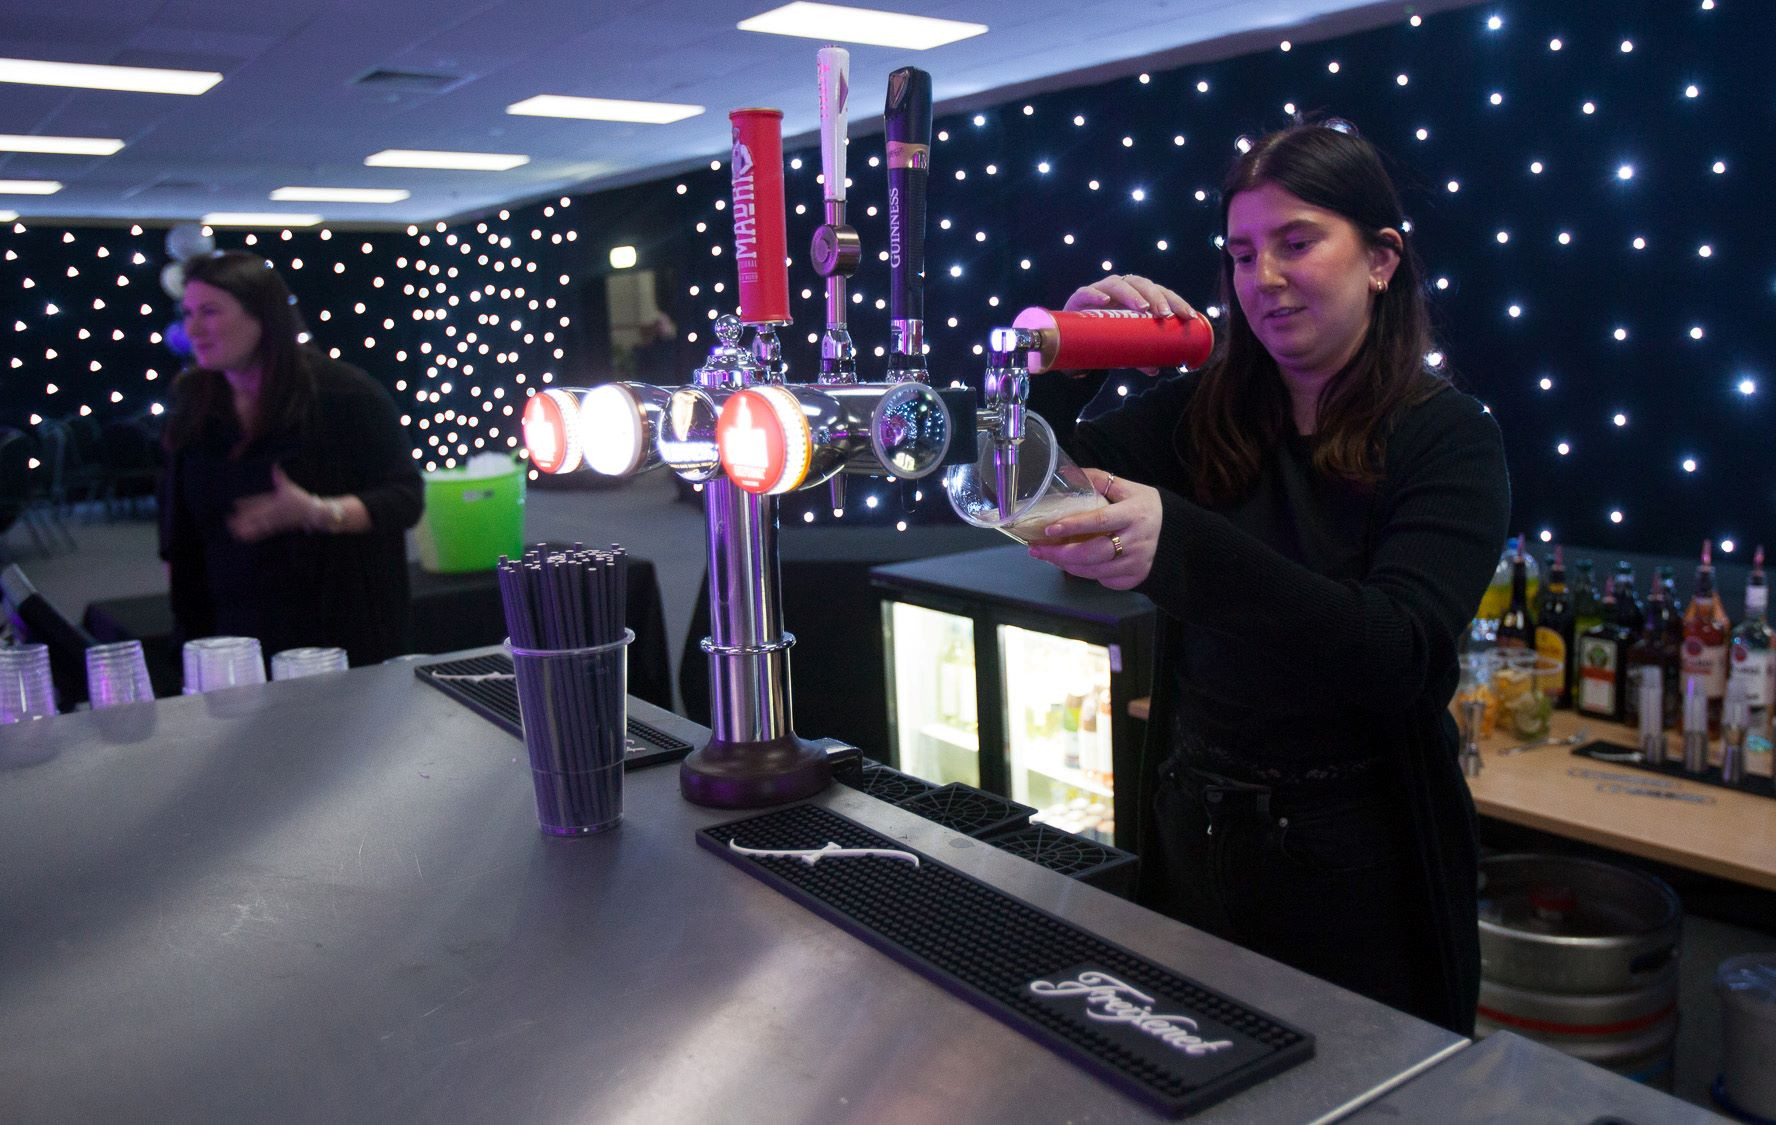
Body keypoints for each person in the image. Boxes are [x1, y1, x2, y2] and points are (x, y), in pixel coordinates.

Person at [1028, 122, 1510, 1035]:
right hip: (1188, 826)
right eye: (1243, 254)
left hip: (1356, 860)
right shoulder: (1206, 411)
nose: (1265, 278)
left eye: (1297, 243)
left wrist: (1184, 543)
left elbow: (1398, 653)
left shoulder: (1448, 437)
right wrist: (1062, 356)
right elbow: (1025, 488)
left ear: (1380, 259)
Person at [159, 251, 423, 667]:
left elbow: (405, 498)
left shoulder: (345, 394)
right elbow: (181, 530)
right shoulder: (195, 400)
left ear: (263, 318)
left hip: (336, 635)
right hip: (229, 634)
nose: (192, 329)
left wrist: (314, 512)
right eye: (188, 312)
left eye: (209, 312)